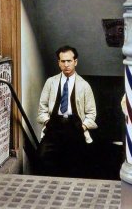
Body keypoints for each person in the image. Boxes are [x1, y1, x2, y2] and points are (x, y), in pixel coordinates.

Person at [36, 45, 97, 177]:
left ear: (75, 62)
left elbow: (91, 113)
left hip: (75, 127)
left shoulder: (84, 85)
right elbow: (42, 109)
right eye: (63, 61)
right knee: (43, 157)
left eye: (69, 61)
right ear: (58, 63)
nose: (66, 65)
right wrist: (47, 122)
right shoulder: (50, 82)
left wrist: (83, 126)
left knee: (75, 163)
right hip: (54, 126)